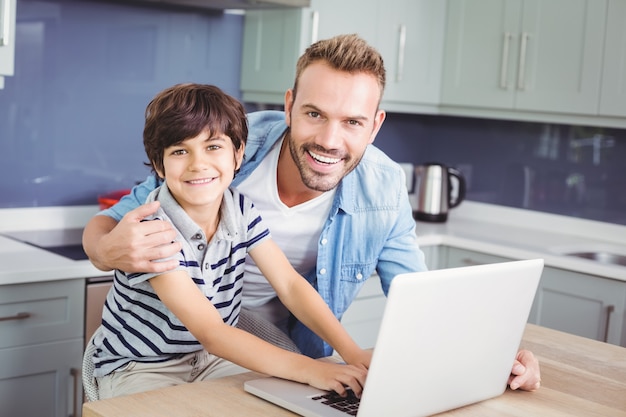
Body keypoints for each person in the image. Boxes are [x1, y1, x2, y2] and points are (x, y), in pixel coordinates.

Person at [83, 34, 541, 391]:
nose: (330, 139)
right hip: (186, 347)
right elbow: (111, 231)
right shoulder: (214, 161)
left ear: (375, 125)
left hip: (260, 344)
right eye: (315, 114)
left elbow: (410, 295)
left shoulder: (375, 189)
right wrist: (106, 250)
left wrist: (488, 354)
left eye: (353, 122)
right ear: (288, 106)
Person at [91, 83, 371, 399]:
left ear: (238, 154)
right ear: (159, 165)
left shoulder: (239, 208)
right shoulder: (155, 230)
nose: (198, 164)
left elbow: (289, 285)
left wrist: (352, 353)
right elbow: (212, 332)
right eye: (180, 151)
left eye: (213, 147)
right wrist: (312, 369)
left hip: (210, 360)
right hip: (142, 367)